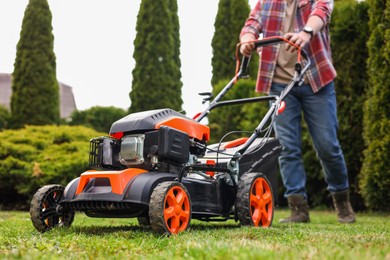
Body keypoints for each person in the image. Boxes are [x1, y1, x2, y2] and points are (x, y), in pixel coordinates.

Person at [239, 0, 355, 223]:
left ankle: (342, 202)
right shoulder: (267, 2)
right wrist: (247, 40)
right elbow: (252, 24)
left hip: (316, 79)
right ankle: (298, 209)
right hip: (280, 85)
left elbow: (322, 10)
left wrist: (306, 32)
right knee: (286, 147)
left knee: (327, 145)